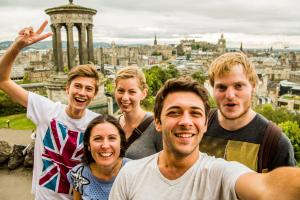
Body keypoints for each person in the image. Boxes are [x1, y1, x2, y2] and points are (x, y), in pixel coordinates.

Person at [109, 77, 300, 200]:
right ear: (158, 122)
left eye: (195, 113)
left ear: (205, 124)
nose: (186, 121)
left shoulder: (221, 174)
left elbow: (268, 186)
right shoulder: (130, 174)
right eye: (174, 112)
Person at [0, 21, 100, 199]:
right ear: (67, 88)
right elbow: (2, 80)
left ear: (94, 94)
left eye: (88, 88)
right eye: (77, 86)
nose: (82, 93)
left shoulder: (98, 123)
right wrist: (18, 46)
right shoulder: (46, 109)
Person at [199, 52, 296, 172]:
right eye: (222, 87)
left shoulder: (275, 143)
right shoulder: (198, 125)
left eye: (238, 86)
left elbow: (285, 190)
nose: (230, 95)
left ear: (253, 87)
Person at [67, 115, 130, 200]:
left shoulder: (136, 171)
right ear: (88, 144)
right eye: (98, 139)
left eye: (112, 138)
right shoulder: (78, 174)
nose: (105, 146)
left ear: (121, 143)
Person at [114, 66, 162, 159]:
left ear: (143, 94)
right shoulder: (112, 123)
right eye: (120, 91)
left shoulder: (156, 126)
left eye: (132, 92)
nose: (125, 98)